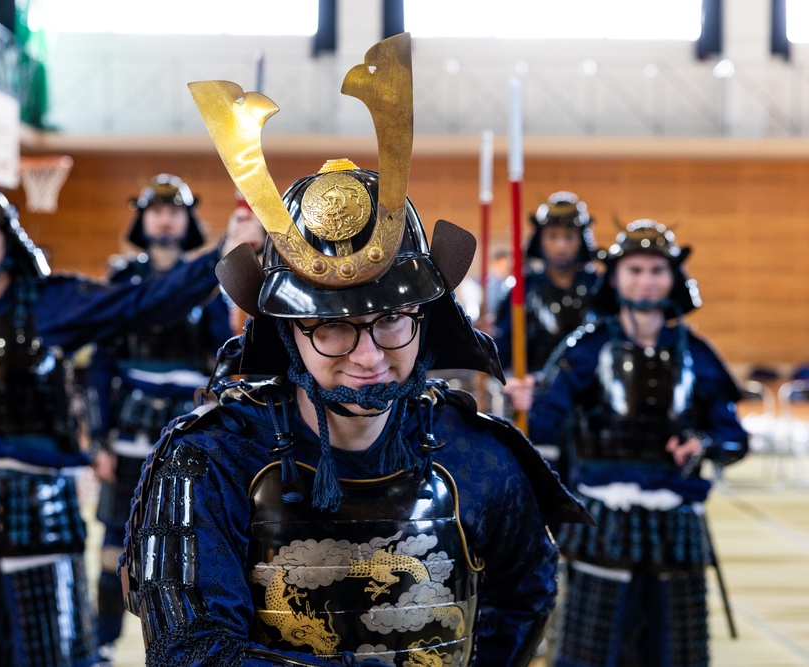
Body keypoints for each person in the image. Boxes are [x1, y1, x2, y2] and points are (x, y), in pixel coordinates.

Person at [121, 33, 591, 666]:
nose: (368, 356)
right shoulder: (209, 462)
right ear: (287, 334)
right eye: (333, 328)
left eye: (393, 319)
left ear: (426, 321)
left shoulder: (480, 456)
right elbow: (191, 650)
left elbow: (526, 592)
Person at [0, 181, 262, 667]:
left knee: (50, 651)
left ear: (7, 237)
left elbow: (144, 303)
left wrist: (221, 254)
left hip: (40, 507)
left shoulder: (56, 303)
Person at [512, 220, 749, 667]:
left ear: (674, 278)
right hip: (602, 522)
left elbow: (734, 437)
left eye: (656, 270)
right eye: (635, 269)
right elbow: (543, 423)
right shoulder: (585, 348)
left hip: (677, 525)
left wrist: (703, 444)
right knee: (592, 650)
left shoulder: (698, 354)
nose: (645, 281)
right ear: (616, 276)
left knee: (677, 651)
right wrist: (528, 400)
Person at [89, 174, 248, 661]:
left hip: (183, 430)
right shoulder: (121, 280)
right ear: (141, 217)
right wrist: (98, 438)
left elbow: (223, 353)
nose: (164, 217)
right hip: (129, 427)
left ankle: (177, 644)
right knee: (113, 542)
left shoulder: (207, 282)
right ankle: (101, 639)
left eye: (174, 210)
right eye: (155, 209)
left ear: (187, 219)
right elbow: (101, 362)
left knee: (183, 539)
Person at [493, 191, 601, 376]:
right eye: (552, 236)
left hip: (590, 390)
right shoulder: (521, 288)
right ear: (540, 239)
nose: (561, 246)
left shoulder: (598, 287)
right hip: (534, 392)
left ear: (581, 240)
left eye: (569, 237)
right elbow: (502, 351)